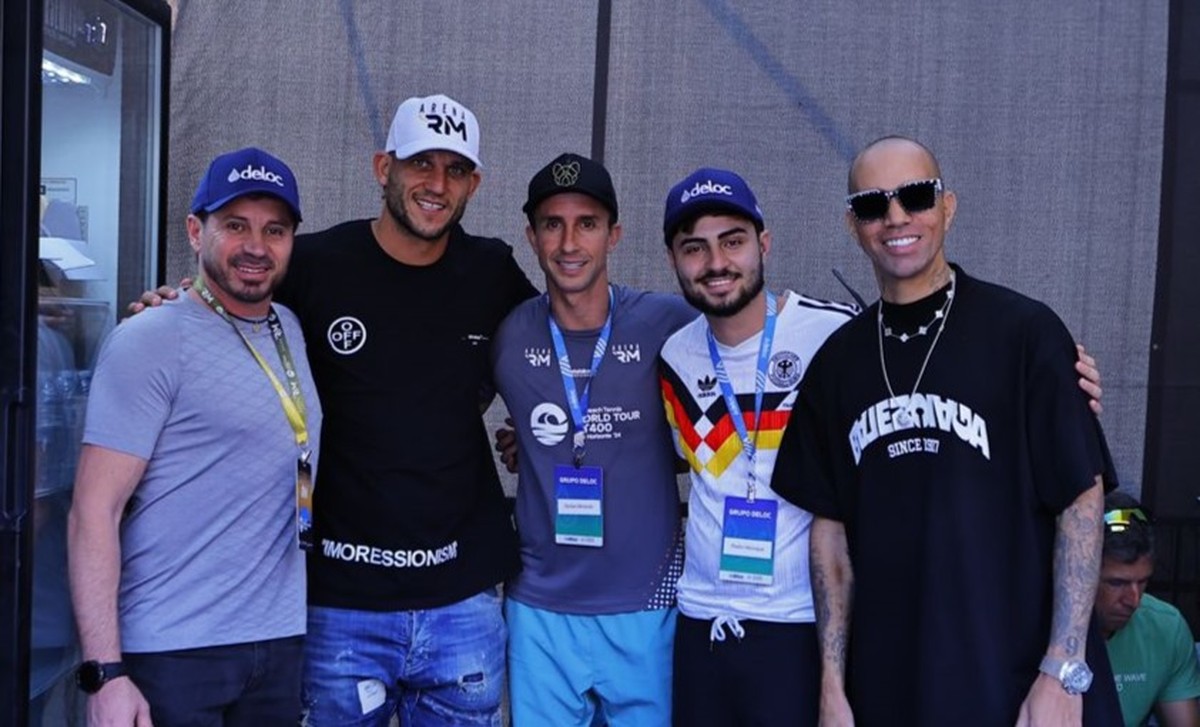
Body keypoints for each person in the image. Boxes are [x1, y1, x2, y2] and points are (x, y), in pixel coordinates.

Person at [135, 95, 537, 724]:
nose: (436, 184)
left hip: (462, 598)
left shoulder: (492, 270)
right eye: (419, 163)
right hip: (338, 601)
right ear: (383, 167)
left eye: (455, 170)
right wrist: (175, 300)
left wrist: (539, 427)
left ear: (474, 183)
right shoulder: (316, 265)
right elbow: (231, 304)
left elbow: (550, 348)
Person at [770, 135, 1123, 726]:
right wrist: (832, 687)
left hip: (1014, 681)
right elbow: (828, 538)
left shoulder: (1025, 333)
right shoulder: (837, 363)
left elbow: (1080, 498)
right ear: (853, 224)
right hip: (890, 686)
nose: (896, 218)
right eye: (873, 205)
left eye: (915, 196)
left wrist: (1063, 665)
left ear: (949, 206)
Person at [68, 147, 320, 725]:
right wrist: (105, 673)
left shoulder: (291, 330)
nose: (256, 246)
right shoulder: (150, 337)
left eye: (274, 230)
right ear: (194, 229)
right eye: (235, 226)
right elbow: (93, 512)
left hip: (278, 644)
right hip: (172, 651)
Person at [492, 153, 697, 725]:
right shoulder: (510, 335)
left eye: (587, 223)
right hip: (540, 610)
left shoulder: (669, 323)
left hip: (646, 604)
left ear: (614, 235)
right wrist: (523, 446)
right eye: (552, 224)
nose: (568, 242)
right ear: (531, 237)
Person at [657, 167, 858, 726]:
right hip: (701, 620)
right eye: (694, 247)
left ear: (763, 244)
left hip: (798, 621)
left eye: (733, 241)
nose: (716, 263)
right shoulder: (675, 356)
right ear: (673, 258)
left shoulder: (835, 333)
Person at [1096, 492, 1200, 727]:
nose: (1133, 600)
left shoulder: (1166, 628)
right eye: (1116, 583)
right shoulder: (1033, 626)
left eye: (1142, 581)